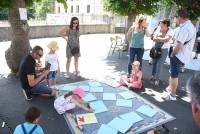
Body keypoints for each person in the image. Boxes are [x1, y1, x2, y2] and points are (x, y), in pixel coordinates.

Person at [165, 9, 196, 100]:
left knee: (174, 75)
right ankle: (171, 88)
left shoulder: (185, 28)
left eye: (178, 17)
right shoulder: (190, 26)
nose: (177, 19)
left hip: (178, 55)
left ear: (181, 17)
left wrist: (173, 54)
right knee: (173, 73)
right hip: (182, 55)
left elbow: (179, 45)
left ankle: (172, 95)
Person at [150, 19, 174, 85]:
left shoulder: (171, 31)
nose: (159, 25)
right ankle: (153, 76)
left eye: (161, 23)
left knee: (159, 65)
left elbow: (166, 40)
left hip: (164, 50)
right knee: (154, 63)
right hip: (156, 48)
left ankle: (157, 79)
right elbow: (154, 38)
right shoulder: (158, 28)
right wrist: (162, 39)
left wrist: (158, 38)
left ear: (165, 24)